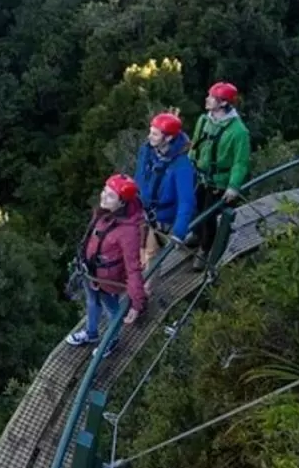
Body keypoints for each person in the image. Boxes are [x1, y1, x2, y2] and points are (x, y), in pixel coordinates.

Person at [65, 174, 147, 358]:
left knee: (112, 311)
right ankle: (91, 332)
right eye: (104, 191)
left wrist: (136, 303)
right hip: (91, 272)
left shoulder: (129, 232)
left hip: (108, 281)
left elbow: (133, 268)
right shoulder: (104, 213)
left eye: (110, 195)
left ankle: (112, 339)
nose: (103, 196)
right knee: (92, 302)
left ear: (122, 203)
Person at [188, 82, 251, 272]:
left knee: (209, 216)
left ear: (223, 103)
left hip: (220, 182)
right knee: (196, 207)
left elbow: (240, 162)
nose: (207, 99)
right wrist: (189, 163)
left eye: (211, 97)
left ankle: (205, 249)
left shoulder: (239, 132)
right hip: (201, 176)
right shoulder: (204, 120)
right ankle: (197, 235)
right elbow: (196, 144)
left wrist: (233, 186)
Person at [134, 112, 196, 281]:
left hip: (161, 219)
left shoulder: (182, 166)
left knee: (150, 258)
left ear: (168, 138)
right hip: (142, 212)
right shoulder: (147, 151)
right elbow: (139, 176)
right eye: (150, 131)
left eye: (154, 133)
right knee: (137, 254)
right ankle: (139, 291)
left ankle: (146, 295)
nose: (149, 136)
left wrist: (178, 232)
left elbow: (186, 201)